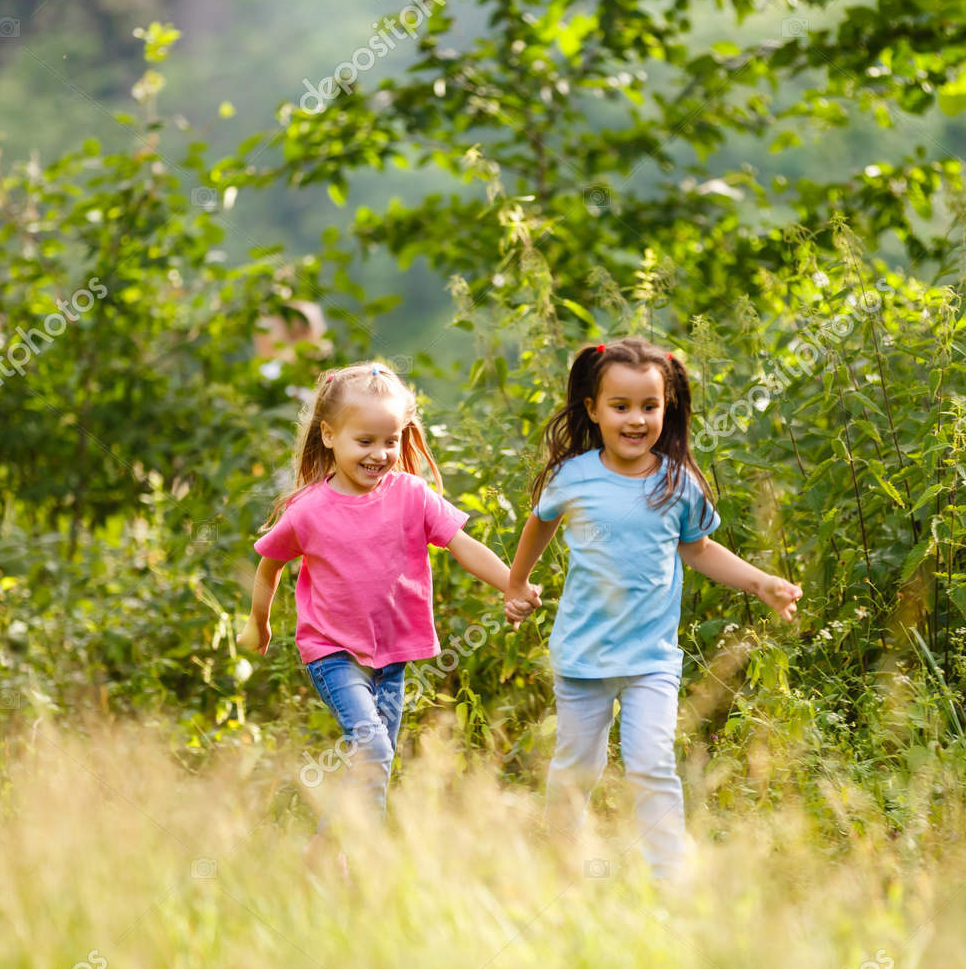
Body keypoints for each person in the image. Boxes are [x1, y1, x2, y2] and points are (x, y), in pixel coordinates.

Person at [504, 338, 802, 883]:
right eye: (620, 406)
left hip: (651, 662)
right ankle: (562, 868)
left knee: (651, 765)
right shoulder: (574, 477)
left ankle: (670, 879)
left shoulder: (676, 482)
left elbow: (699, 549)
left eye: (649, 406)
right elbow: (539, 524)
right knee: (577, 769)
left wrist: (761, 583)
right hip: (583, 658)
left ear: (668, 408)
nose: (636, 419)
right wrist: (516, 582)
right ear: (593, 410)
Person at [238, 360, 539, 858]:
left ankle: (335, 859)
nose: (380, 454)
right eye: (365, 441)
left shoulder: (412, 496)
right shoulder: (309, 510)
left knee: (376, 761)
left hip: (391, 656)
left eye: (391, 440)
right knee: (373, 749)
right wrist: (259, 622)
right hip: (332, 652)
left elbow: (463, 545)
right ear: (329, 436)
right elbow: (269, 565)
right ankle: (356, 856)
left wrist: (514, 583)